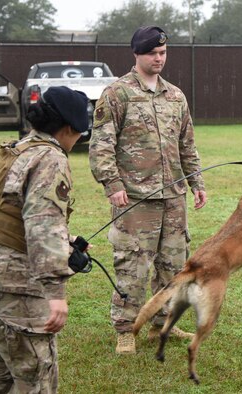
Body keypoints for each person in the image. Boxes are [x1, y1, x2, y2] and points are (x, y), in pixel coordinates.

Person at [0, 86, 90, 393]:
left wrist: (68, 239)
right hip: (9, 292)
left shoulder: (7, 153)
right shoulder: (50, 158)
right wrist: (55, 293)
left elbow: (2, 219)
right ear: (69, 128)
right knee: (37, 382)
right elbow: (42, 226)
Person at [89, 25, 208, 355]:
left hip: (173, 197)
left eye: (163, 53)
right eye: (153, 53)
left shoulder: (175, 95)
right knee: (133, 265)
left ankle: (163, 321)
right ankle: (126, 328)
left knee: (174, 265)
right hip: (135, 199)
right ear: (137, 55)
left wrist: (196, 183)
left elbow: (187, 145)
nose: (159, 59)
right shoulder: (117, 94)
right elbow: (101, 145)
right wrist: (112, 185)